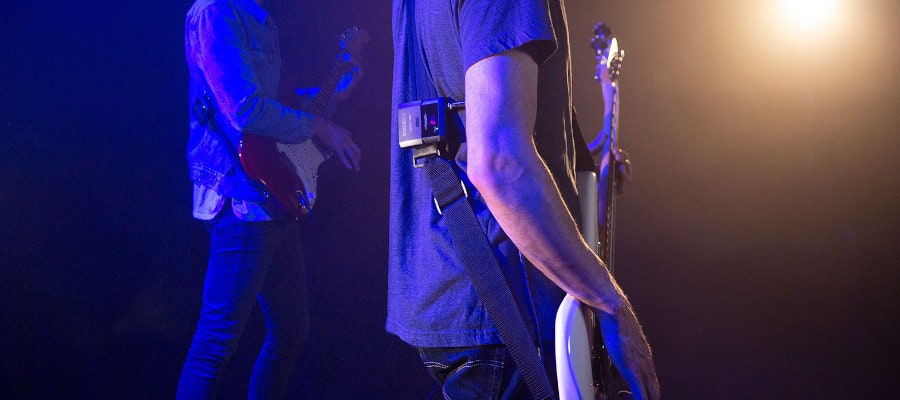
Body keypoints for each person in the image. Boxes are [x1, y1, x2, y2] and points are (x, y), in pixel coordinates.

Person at [387, 0, 660, 399]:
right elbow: (499, 163)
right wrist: (611, 303)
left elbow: (463, 122)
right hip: (509, 303)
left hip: (447, 297)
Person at [179, 0, 361, 398]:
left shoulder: (256, 16)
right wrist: (320, 126)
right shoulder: (217, 13)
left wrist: (331, 91)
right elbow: (245, 109)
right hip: (241, 198)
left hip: (269, 193)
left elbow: (272, 102)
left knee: (291, 332)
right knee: (215, 345)